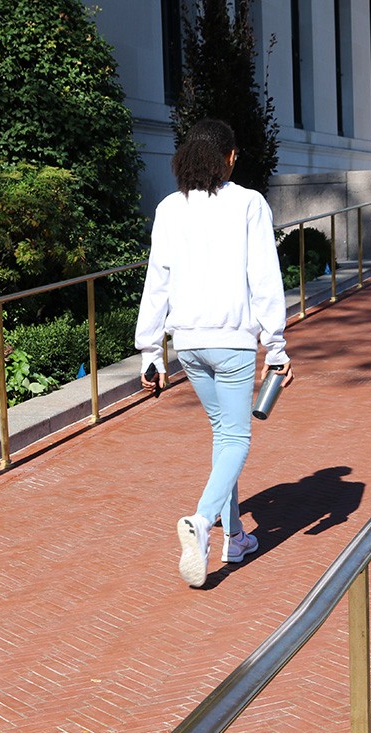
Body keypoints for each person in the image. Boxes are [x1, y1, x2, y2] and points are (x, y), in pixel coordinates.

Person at [135, 118, 292, 588]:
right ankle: (203, 523)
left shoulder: (168, 208)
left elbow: (156, 281)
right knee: (237, 440)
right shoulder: (248, 203)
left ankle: (236, 535)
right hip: (234, 341)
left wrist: (150, 351)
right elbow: (264, 276)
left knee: (223, 437)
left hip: (188, 343)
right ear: (228, 157)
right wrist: (277, 345)